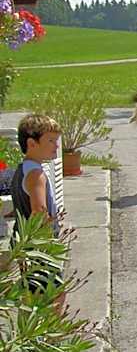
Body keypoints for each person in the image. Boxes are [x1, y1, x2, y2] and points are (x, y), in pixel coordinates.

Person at [10, 114, 66, 309]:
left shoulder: (22, 169)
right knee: (56, 294)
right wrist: (49, 242)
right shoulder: (36, 174)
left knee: (31, 293)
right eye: (51, 141)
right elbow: (39, 210)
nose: (56, 146)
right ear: (32, 143)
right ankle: (52, 337)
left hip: (22, 240)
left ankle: (31, 336)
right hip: (38, 245)